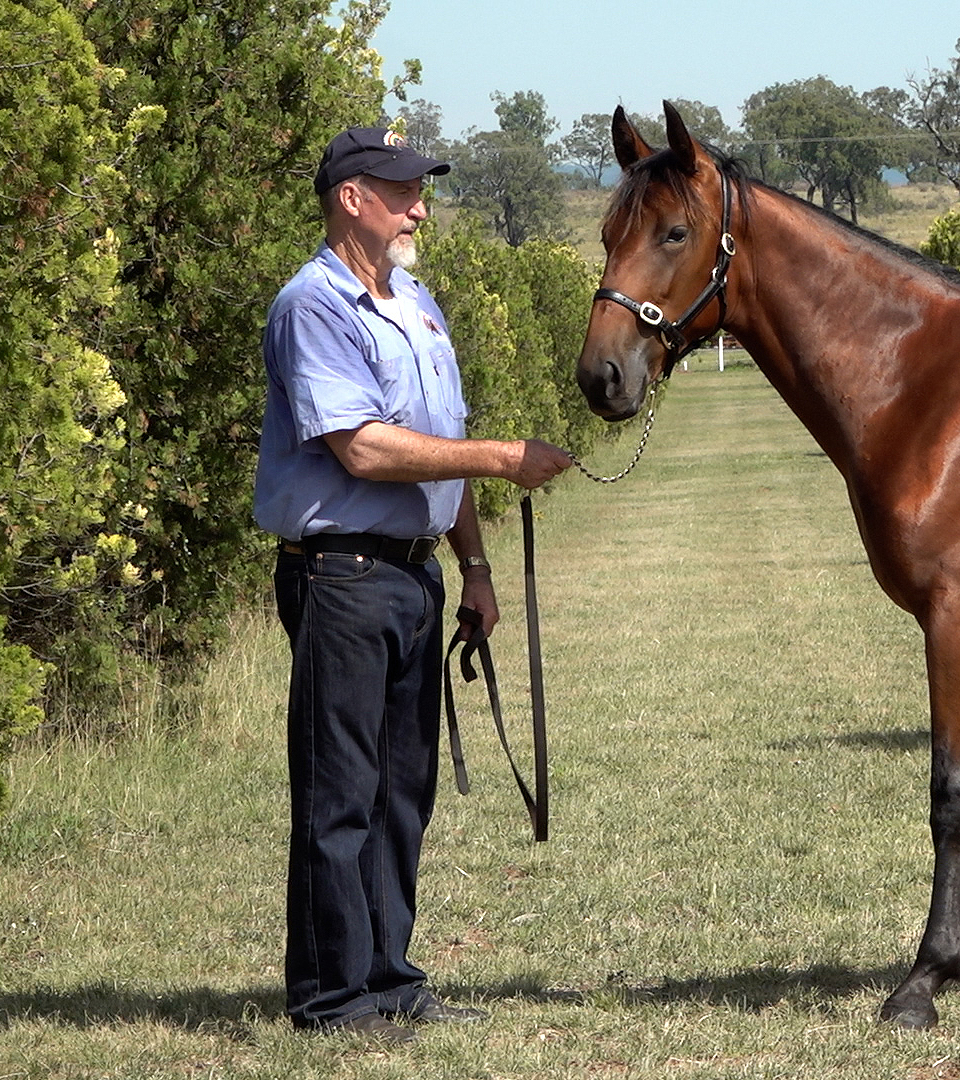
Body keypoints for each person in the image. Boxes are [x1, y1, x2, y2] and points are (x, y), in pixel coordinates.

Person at [254, 127, 574, 1043]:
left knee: (403, 791)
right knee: (341, 794)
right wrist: (505, 458)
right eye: (401, 192)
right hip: (341, 575)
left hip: (413, 575)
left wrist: (473, 565)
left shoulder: (417, 303)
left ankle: (390, 979)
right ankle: (331, 998)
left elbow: (441, 446)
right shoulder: (313, 306)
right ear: (351, 198)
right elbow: (362, 448)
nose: (419, 209)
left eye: (420, 191)